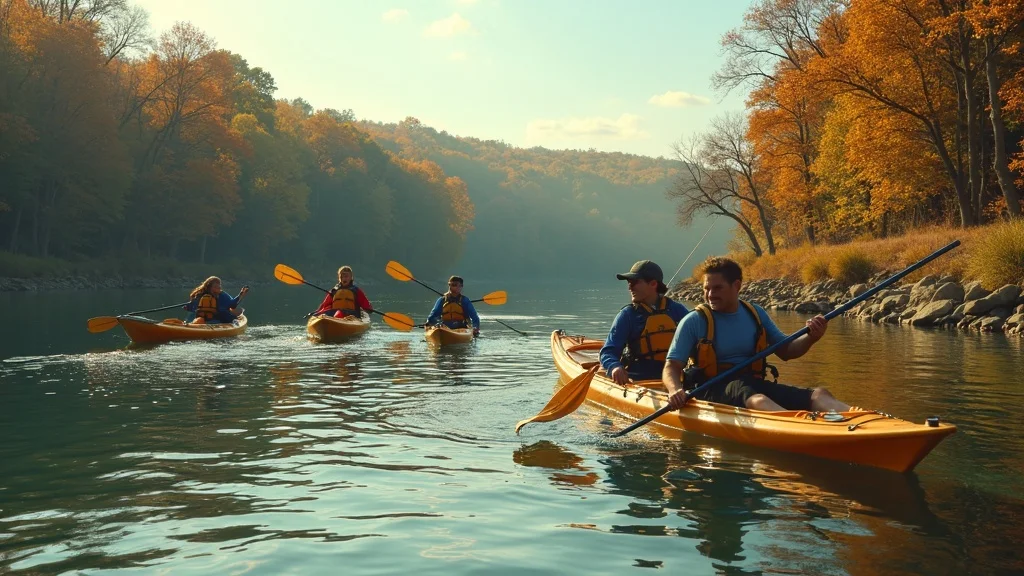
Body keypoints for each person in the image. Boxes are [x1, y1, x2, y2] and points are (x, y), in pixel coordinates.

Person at [663, 256, 850, 412]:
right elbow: (671, 366)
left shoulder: (755, 313)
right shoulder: (694, 321)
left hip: (752, 384)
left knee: (819, 394)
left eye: (717, 288)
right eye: (706, 289)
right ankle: (804, 428)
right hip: (711, 388)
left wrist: (811, 337)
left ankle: (866, 422)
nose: (710, 294)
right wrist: (674, 390)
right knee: (757, 399)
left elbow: (786, 351)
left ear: (736, 286)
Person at [600, 260, 689, 384]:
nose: (630, 287)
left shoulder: (677, 310)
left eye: (634, 282)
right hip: (638, 380)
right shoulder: (627, 315)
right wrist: (614, 367)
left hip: (674, 379)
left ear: (653, 284)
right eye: (628, 282)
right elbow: (609, 351)